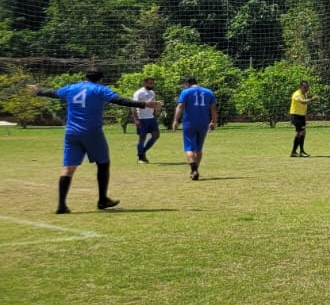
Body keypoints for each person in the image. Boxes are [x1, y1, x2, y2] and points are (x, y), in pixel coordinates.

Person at [32, 69, 162, 213]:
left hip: (71, 133)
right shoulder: (99, 89)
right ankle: (102, 200)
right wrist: (144, 105)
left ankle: (61, 205)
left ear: (85, 77)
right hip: (92, 132)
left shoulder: (71, 88)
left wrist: (38, 90)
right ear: (100, 79)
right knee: (103, 163)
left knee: (68, 168)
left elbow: (53, 93)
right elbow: (119, 100)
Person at [173, 76, 218, 180]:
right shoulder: (209, 92)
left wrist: (176, 120)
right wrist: (213, 121)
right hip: (203, 123)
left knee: (189, 148)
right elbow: (213, 108)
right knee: (199, 148)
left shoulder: (186, 92)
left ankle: (194, 170)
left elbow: (180, 106)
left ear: (187, 84)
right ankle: (195, 169)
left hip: (189, 123)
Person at [133, 75, 161, 163]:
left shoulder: (152, 92)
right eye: (150, 83)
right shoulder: (139, 93)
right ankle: (141, 158)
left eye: (153, 83)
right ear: (145, 83)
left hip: (151, 118)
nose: (152, 85)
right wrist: (136, 119)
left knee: (156, 135)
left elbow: (152, 104)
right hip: (142, 118)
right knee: (142, 138)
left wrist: (157, 108)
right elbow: (133, 106)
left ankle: (142, 152)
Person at [288, 80, 313, 157]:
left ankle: (294, 152)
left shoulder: (304, 94)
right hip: (295, 115)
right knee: (301, 132)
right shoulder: (297, 94)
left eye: (307, 87)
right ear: (300, 87)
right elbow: (302, 102)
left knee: (301, 133)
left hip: (301, 115)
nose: (306, 89)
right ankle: (300, 151)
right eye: (305, 87)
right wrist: (312, 99)